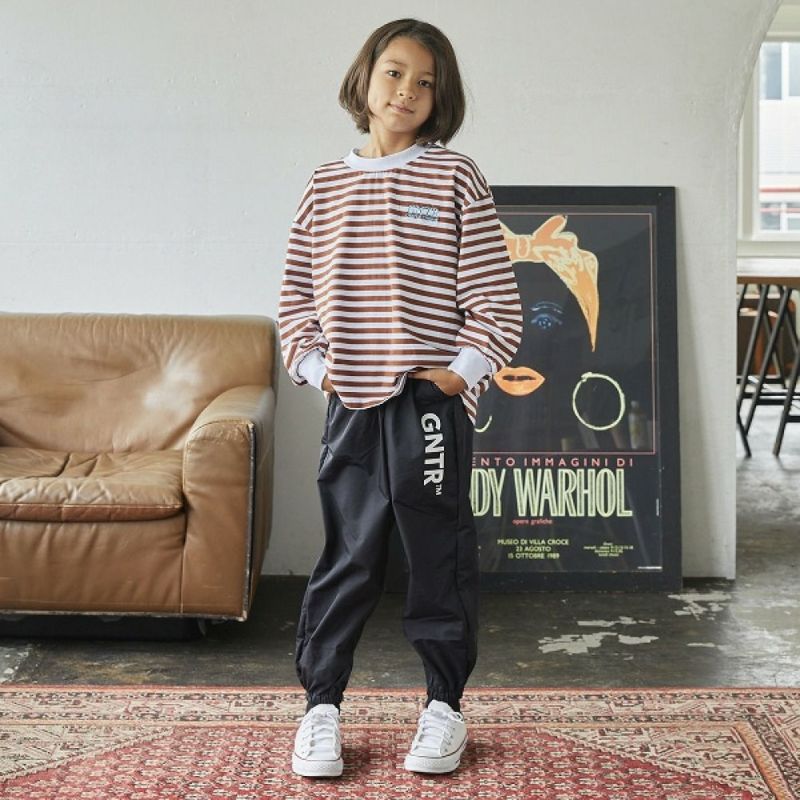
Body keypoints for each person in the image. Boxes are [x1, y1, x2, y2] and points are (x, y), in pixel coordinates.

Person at [278, 18, 523, 778]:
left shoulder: (455, 177)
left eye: (425, 81)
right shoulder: (325, 184)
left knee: (436, 555)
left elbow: (497, 299)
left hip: (428, 405)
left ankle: (444, 706)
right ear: (365, 77)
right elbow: (295, 299)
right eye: (394, 72)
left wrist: (457, 373)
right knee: (348, 556)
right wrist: (319, 369)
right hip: (352, 403)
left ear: (440, 97)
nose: (407, 91)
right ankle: (321, 707)